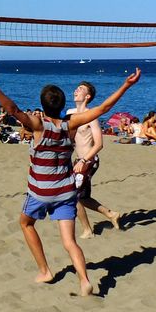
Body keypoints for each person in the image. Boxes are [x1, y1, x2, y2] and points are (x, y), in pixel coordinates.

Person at [0, 68, 141, 296]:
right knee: (70, 241)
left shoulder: (38, 125)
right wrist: (126, 85)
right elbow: (103, 108)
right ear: (62, 105)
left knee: (26, 223)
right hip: (65, 191)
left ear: (42, 106)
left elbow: (12, 109)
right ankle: (84, 280)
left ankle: (45, 270)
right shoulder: (70, 124)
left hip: (40, 192)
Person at [69, 81, 122, 240]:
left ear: (88, 96)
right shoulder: (70, 113)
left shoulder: (91, 116)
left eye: (81, 89)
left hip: (89, 160)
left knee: (72, 195)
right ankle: (111, 214)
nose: (76, 90)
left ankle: (88, 230)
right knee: (83, 198)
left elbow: (99, 144)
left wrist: (84, 160)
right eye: (76, 88)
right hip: (78, 159)